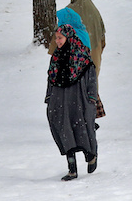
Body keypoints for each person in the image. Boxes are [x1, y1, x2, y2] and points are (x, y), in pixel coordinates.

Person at [45, 23, 98, 181]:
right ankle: (72, 169)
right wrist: (49, 97)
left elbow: (91, 77)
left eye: (60, 38)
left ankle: (91, 155)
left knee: (81, 130)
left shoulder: (81, 55)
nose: (58, 41)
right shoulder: (56, 57)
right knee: (64, 131)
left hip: (78, 99)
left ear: (68, 37)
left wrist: (91, 98)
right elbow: (51, 78)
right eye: (56, 39)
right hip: (59, 100)